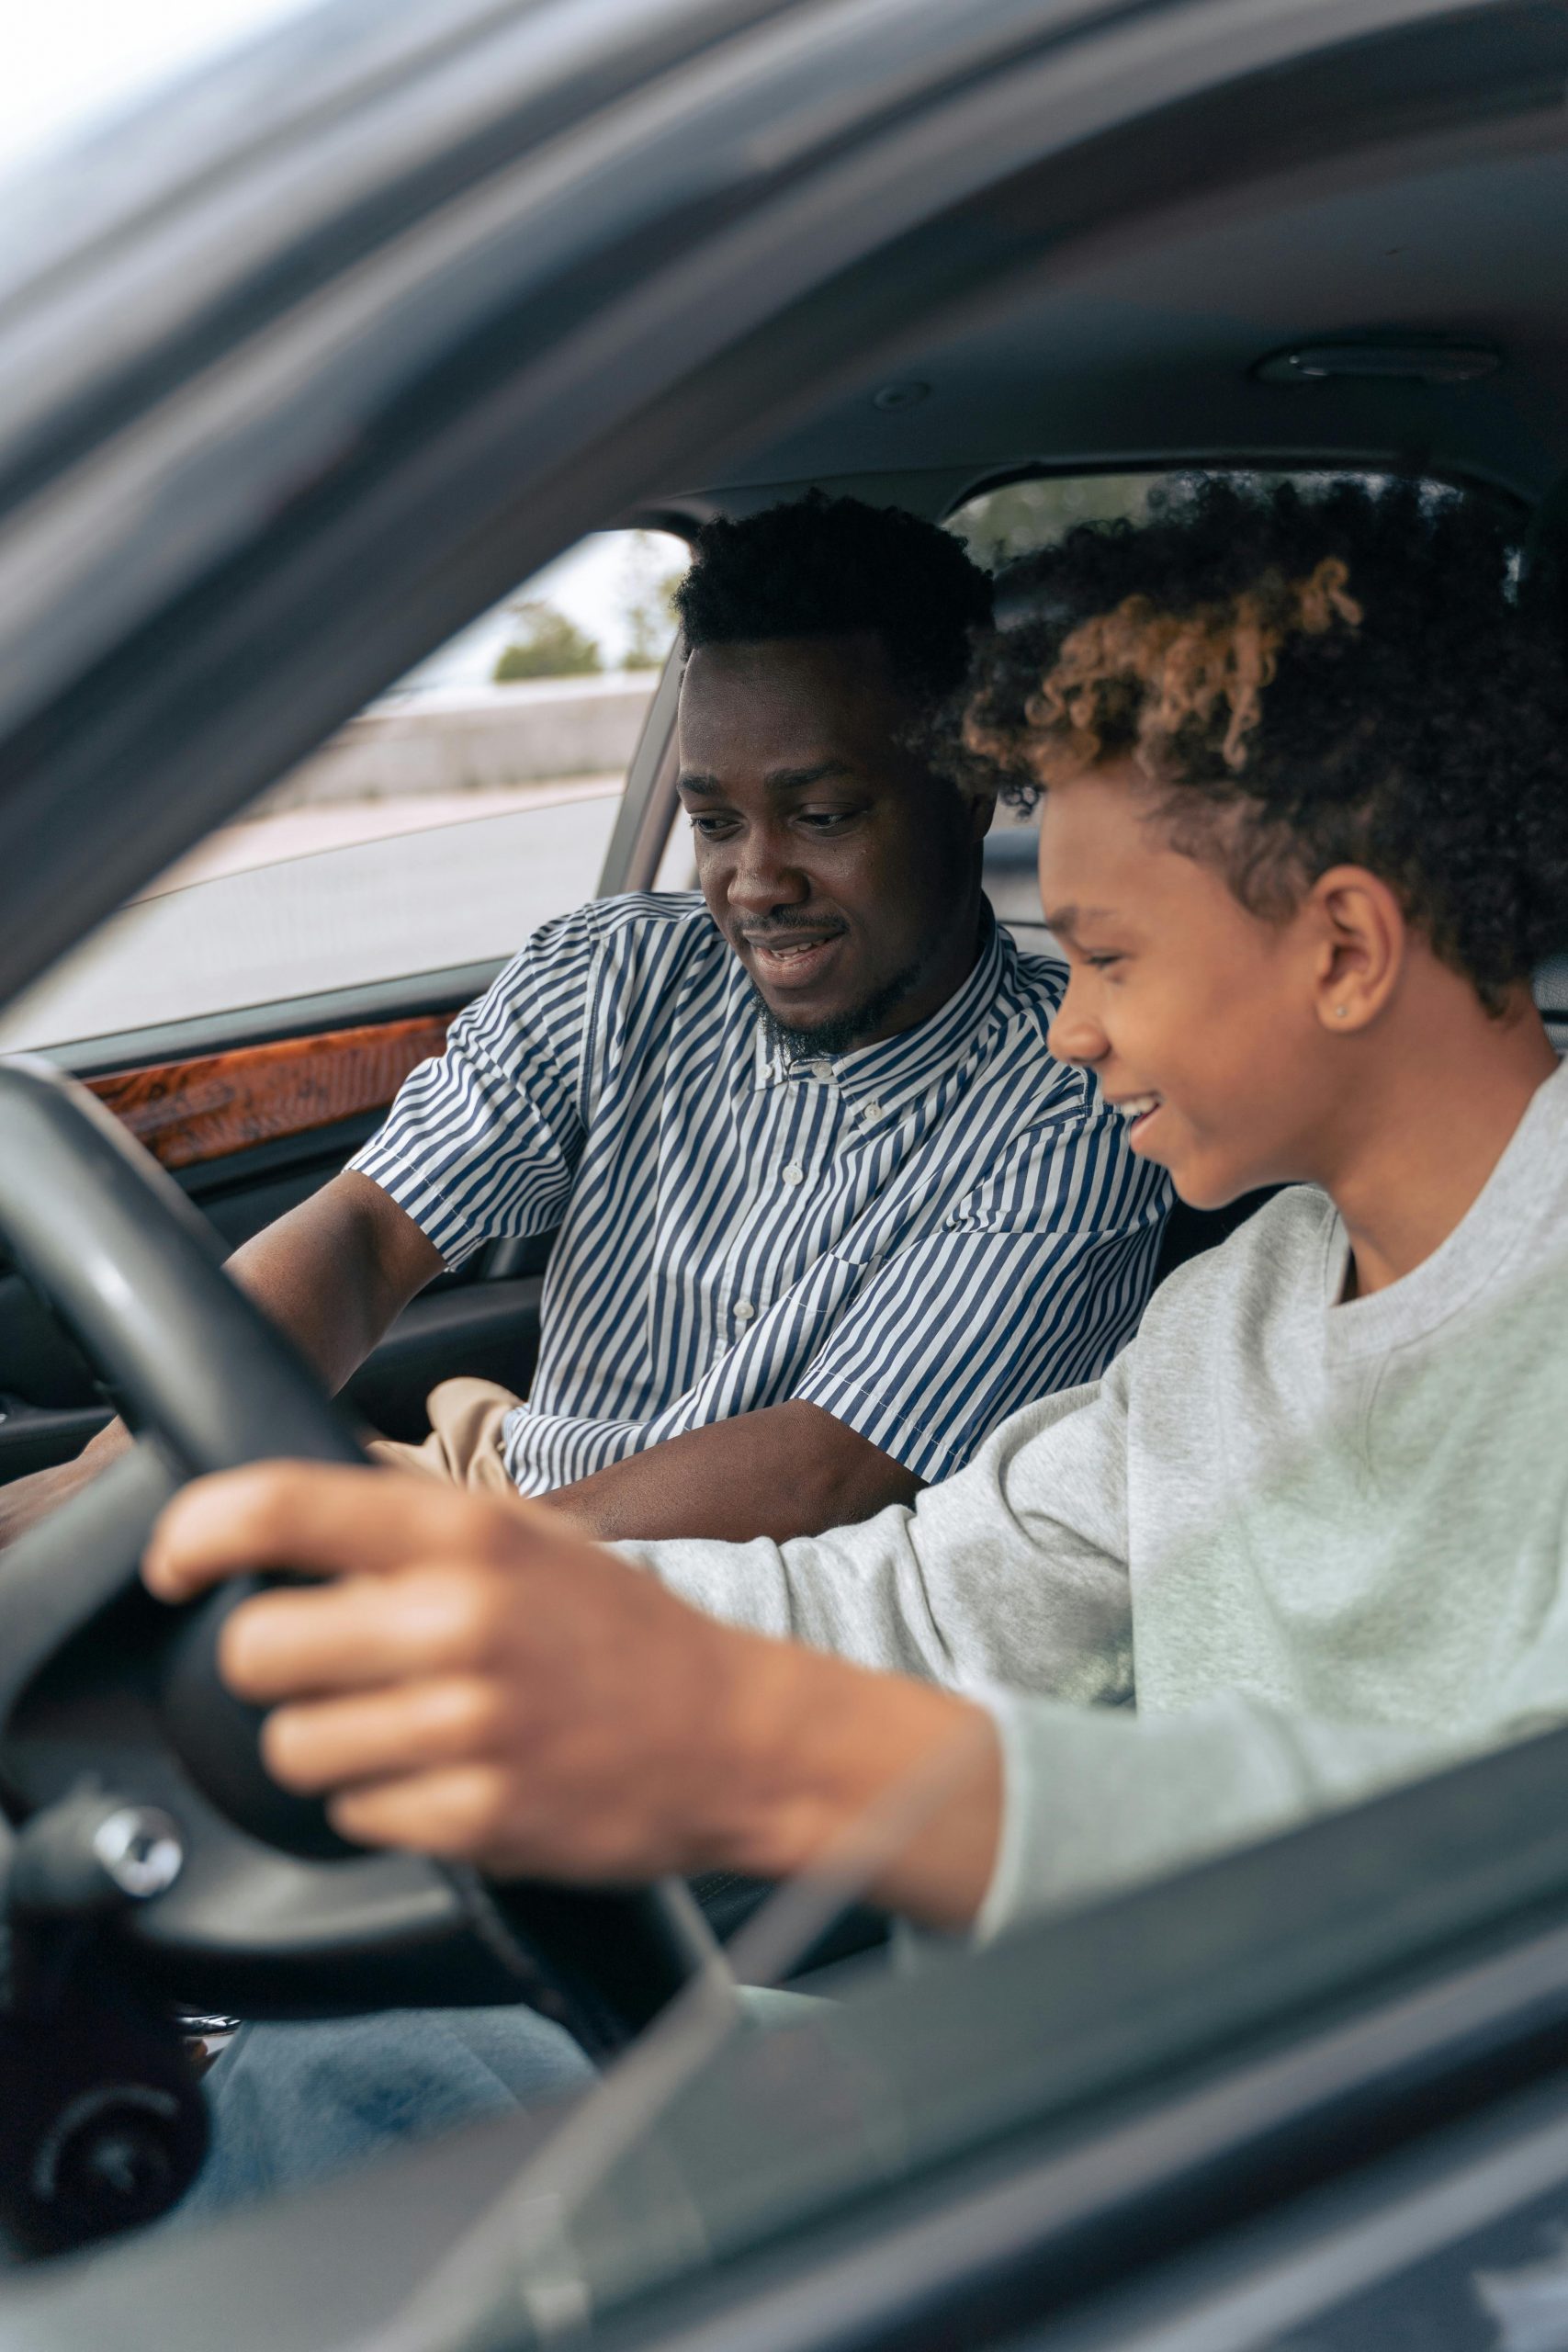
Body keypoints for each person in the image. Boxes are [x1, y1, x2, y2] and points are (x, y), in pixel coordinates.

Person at [146, 474, 1568, 2209]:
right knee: (336, 2074)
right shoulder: (1240, 1306)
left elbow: (1490, 1866)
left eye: (1109, 956)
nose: (1074, 1030)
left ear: (1342, 947)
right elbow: (916, 1595)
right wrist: (485, 1584)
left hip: (1347, 2185)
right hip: (1072, 2075)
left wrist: (777, 1745)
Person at [0, 494, 1167, 1552]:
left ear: (964, 797)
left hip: (731, 1612)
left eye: (820, 815)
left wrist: (447, 1571)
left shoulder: (1078, 1093)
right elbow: (362, 1239)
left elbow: (826, 1474)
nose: (755, 881)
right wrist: (127, 1472)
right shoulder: (611, 973)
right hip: (493, 1495)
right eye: (714, 824)